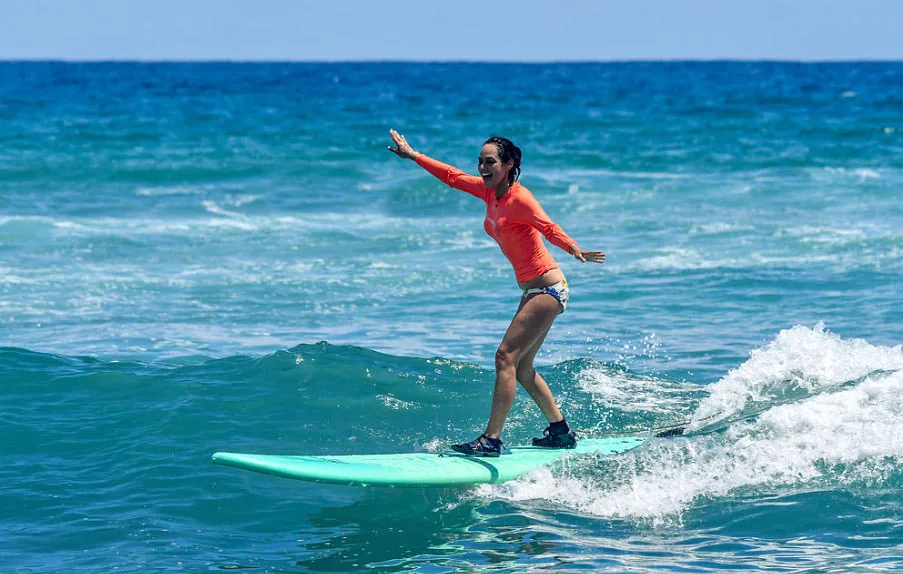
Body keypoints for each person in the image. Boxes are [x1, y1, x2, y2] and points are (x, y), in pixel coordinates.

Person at [387, 129, 606, 457]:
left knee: (505, 356)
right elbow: (453, 176)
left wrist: (574, 249)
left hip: (548, 289)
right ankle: (560, 432)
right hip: (535, 290)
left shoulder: (520, 198)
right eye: (480, 162)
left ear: (508, 164)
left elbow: (548, 227)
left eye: (490, 162)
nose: (482, 168)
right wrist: (414, 155)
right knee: (522, 368)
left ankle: (491, 439)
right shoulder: (490, 194)